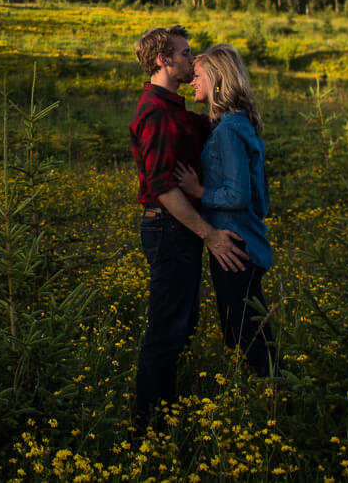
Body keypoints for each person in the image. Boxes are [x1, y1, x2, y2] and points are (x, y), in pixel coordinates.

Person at [129, 25, 247, 432]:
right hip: (169, 229)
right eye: (184, 53)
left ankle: (163, 418)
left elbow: (215, 127)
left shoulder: (175, 110)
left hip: (177, 231)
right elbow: (162, 186)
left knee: (180, 326)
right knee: (166, 331)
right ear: (163, 60)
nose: (190, 60)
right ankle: (148, 430)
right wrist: (209, 234)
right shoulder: (156, 113)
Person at [175, 43, 281, 381]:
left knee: (248, 336)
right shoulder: (240, 124)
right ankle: (267, 395)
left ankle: (281, 397)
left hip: (235, 248)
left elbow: (237, 194)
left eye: (197, 76)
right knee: (243, 330)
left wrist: (198, 192)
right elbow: (260, 202)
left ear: (218, 76)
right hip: (246, 243)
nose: (192, 81)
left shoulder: (229, 131)